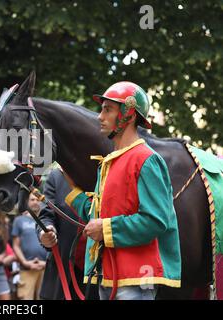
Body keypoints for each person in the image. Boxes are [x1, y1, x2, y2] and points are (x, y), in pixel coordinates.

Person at [63, 81, 181, 300]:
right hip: (108, 276)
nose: (100, 116)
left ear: (129, 114)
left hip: (136, 279)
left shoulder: (146, 159)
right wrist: (73, 192)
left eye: (108, 109)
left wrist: (106, 228)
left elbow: (155, 221)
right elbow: (100, 215)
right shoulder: (110, 162)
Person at [37, 168, 98, 300]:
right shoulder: (57, 175)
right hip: (61, 272)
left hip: (97, 274)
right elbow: (47, 215)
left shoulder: (106, 170)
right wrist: (45, 231)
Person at [12, 193, 48, 300]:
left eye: (37, 200)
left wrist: (46, 263)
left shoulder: (47, 220)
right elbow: (15, 245)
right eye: (32, 200)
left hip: (45, 268)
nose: (35, 202)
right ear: (27, 202)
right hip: (26, 268)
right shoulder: (19, 220)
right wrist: (25, 262)